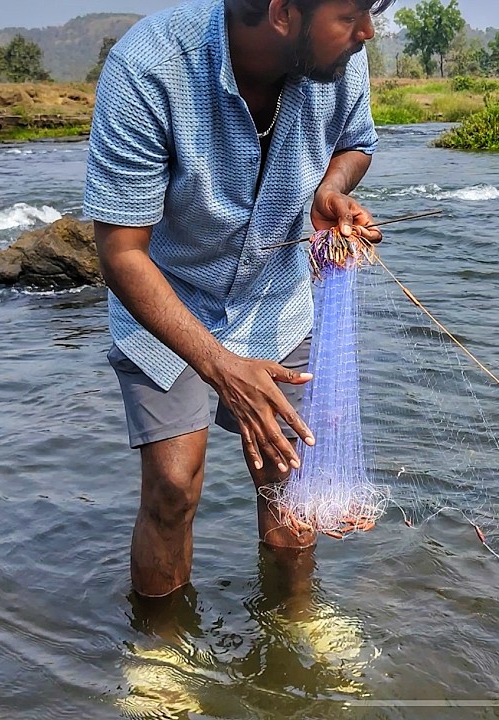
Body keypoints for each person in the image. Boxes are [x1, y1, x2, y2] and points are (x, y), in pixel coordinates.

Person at [84, 0, 392, 598]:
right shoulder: (150, 68)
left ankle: (296, 624)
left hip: (274, 294)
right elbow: (121, 253)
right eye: (352, 13)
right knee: (173, 487)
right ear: (282, 13)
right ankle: (159, 650)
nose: (367, 32)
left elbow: (356, 142)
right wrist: (222, 368)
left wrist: (329, 188)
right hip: (167, 297)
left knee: (289, 474)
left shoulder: (337, 58)